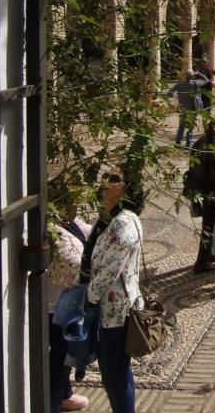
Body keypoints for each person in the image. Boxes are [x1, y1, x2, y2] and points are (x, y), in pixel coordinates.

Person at [86, 166, 146, 413]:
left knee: (114, 375)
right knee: (116, 372)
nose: (104, 181)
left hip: (116, 312)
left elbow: (110, 270)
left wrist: (88, 297)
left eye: (113, 178)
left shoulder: (123, 224)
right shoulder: (109, 219)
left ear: (125, 189)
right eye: (105, 176)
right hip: (110, 307)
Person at [47, 208, 91, 412]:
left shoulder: (68, 220)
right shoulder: (50, 228)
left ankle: (65, 394)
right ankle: (52, 404)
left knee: (66, 351)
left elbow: (88, 231)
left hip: (69, 300)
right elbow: (72, 262)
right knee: (62, 354)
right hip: (55, 304)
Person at [184, 116, 215, 274]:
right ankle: (201, 262)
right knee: (208, 227)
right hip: (209, 195)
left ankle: (209, 254)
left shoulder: (201, 141)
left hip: (198, 191)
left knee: (208, 226)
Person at [168, 67, 211, 146]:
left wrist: (178, 95)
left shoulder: (179, 85)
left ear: (185, 76)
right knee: (190, 126)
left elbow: (169, 93)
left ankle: (178, 142)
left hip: (183, 108)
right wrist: (198, 73)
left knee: (181, 126)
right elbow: (207, 80)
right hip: (193, 108)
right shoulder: (196, 83)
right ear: (192, 76)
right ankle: (189, 142)